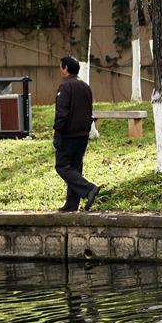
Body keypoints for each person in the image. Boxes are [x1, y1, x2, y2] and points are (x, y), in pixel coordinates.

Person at [54, 55, 100, 212]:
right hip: (83, 135)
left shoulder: (65, 87)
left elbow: (62, 113)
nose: (60, 70)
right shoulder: (86, 87)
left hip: (68, 135)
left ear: (66, 68)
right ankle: (72, 204)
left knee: (62, 166)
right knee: (75, 167)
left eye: (61, 67)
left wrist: (57, 133)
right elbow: (89, 110)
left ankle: (89, 189)